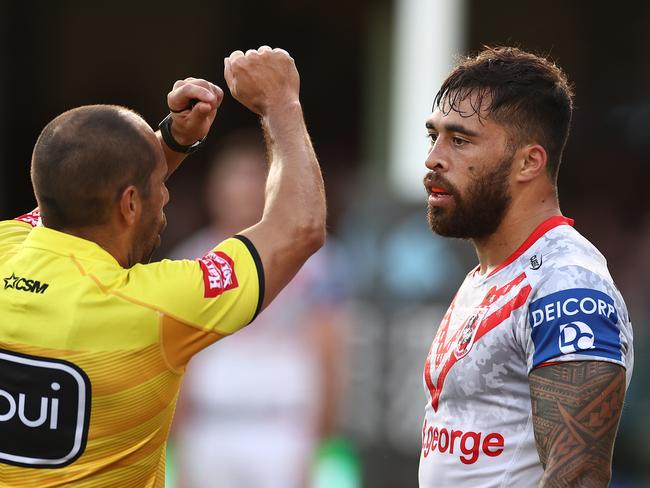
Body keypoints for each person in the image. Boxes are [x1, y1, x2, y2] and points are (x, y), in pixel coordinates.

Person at [0, 46, 326, 487]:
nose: (168, 195)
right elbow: (298, 227)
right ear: (131, 202)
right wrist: (280, 103)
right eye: (159, 185)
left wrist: (172, 140)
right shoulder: (151, 306)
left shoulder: (8, 242)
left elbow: (88, 185)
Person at [418, 46, 633, 487]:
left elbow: (579, 477)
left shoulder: (569, 285)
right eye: (433, 137)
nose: (434, 159)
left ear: (529, 162)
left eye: (460, 140)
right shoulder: (487, 275)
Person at [167, 132, 346, 488]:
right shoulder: (190, 259)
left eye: (252, 178)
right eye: (232, 177)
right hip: (211, 425)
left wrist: (319, 445)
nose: (241, 189)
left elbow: (330, 352)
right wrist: (179, 445)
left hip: (284, 428)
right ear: (212, 189)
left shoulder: (313, 261)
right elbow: (177, 357)